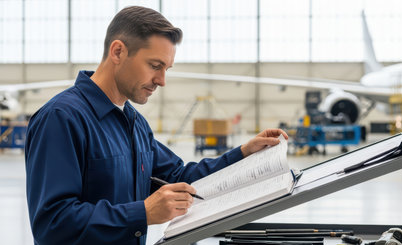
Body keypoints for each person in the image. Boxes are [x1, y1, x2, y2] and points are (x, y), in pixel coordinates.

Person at [24, 6, 288, 245]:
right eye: (154, 66)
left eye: (166, 69)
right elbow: (52, 223)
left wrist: (243, 153)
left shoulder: (134, 123)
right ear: (118, 51)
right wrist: (143, 213)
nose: (161, 80)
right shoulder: (61, 119)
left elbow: (178, 178)